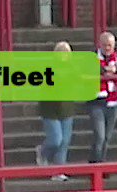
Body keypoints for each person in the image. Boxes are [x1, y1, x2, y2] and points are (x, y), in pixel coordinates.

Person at [38, 41, 77, 175]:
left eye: (66, 54)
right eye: (61, 53)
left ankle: (59, 170)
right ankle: (43, 152)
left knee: (65, 141)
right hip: (50, 109)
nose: (64, 56)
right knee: (56, 139)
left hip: (67, 108)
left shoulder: (73, 68)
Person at [90, 32, 117, 163]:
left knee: (107, 137)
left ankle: (100, 161)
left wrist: (115, 70)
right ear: (99, 44)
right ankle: (96, 164)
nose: (107, 48)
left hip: (113, 100)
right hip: (96, 101)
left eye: (110, 45)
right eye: (105, 45)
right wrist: (105, 71)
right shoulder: (92, 56)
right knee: (100, 135)